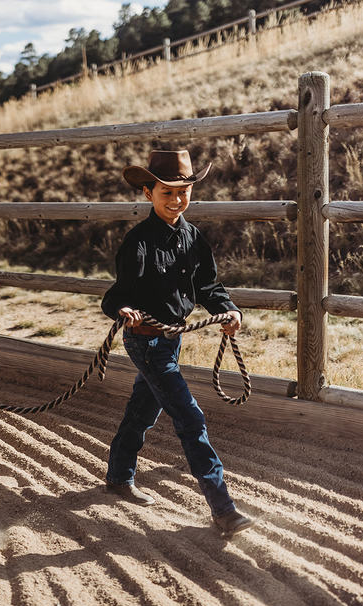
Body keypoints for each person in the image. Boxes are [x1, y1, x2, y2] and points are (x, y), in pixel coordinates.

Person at [101, 149, 253, 536]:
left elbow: (208, 287)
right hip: (146, 341)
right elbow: (116, 296)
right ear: (148, 193)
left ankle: (119, 476)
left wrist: (229, 310)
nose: (176, 199)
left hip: (171, 341)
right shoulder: (137, 242)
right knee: (190, 417)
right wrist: (126, 310)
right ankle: (223, 510)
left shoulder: (193, 238)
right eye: (166, 192)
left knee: (143, 411)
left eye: (183, 191)